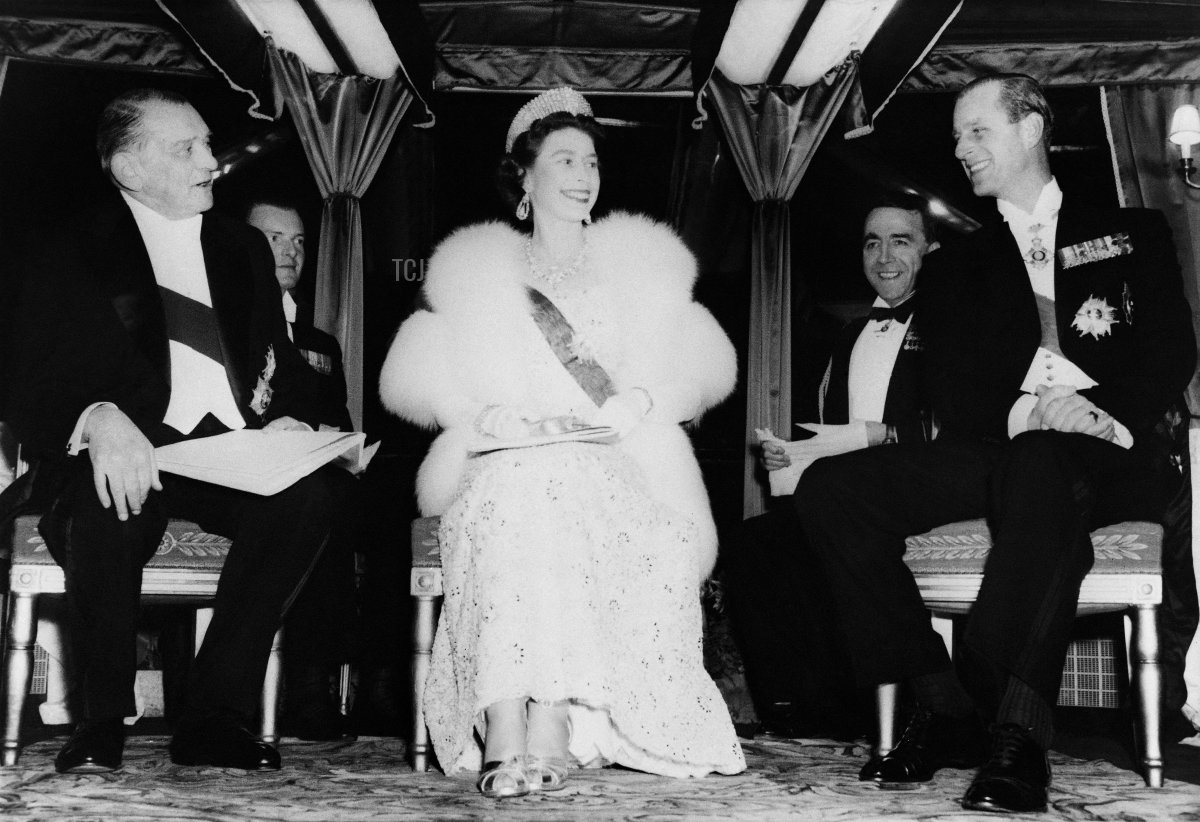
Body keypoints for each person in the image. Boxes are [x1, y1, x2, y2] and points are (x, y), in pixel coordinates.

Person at [796, 73, 1195, 814]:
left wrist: (1092, 409)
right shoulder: (958, 266)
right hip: (1012, 444)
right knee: (833, 490)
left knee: (1044, 466)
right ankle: (943, 702)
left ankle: (1016, 731)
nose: (961, 148)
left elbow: (1172, 352)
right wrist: (1027, 414)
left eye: (976, 130)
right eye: (956, 135)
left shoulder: (1133, 231)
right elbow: (953, 390)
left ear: (1031, 128)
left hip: (1111, 448)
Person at [379, 87, 746, 797]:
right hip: (501, 464)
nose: (583, 175)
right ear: (525, 176)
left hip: (615, 465)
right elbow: (416, 377)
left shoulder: (639, 266)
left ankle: (548, 723)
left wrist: (642, 402)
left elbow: (704, 369)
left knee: (552, 492)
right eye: (564, 159)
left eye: (591, 161)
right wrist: (486, 418)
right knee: (518, 491)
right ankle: (504, 724)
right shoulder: (479, 272)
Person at [5, 88, 346, 773]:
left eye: (207, 144)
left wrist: (291, 418)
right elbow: (25, 380)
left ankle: (213, 717)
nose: (211, 161)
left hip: (231, 451)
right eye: (186, 149)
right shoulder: (65, 247)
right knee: (111, 505)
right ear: (129, 168)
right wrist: (94, 418)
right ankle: (100, 723)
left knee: (316, 494)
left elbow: (279, 362)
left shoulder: (241, 245)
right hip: (131, 448)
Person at [725, 195, 938, 741]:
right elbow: (830, 432)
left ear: (929, 251)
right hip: (844, 495)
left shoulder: (950, 326)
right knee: (757, 543)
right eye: (872, 242)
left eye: (901, 240)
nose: (884, 255)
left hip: (924, 492)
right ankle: (800, 704)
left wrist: (883, 436)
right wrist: (791, 456)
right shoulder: (848, 336)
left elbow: (961, 428)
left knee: (835, 533)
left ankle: (905, 704)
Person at [243, 198, 356, 740]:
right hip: (241, 474)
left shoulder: (319, 343)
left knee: (356, 506)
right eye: (272, 238)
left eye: (299, 241)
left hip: (314, 473)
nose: (289, 251)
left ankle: (350, 687)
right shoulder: (225, 324)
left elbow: (340, 420)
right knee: (314, 509)